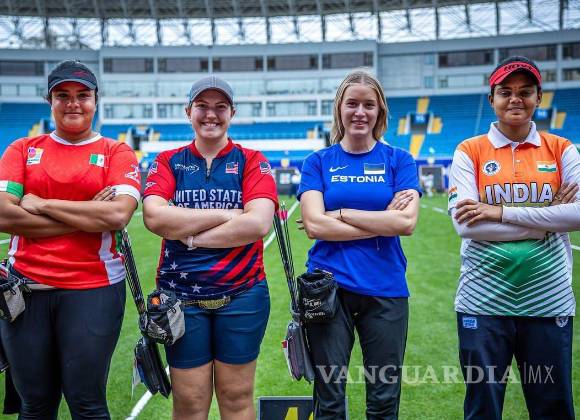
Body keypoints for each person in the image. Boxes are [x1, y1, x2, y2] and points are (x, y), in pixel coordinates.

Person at [0, 60, 140, 419]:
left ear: (96, 100)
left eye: (83, 95)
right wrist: (86, 213)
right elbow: (3, 216)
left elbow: (116, 216)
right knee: (34, 404)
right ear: (50, 101)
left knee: (87, 403)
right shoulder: (22, 149)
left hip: (93, 290)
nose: (73, 103)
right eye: (63, 95)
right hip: (26, 291)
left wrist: (42, 205)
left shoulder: (116, 152)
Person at [448, 56, 579, 420]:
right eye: (505, 92)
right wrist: (549, 219)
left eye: (525, 91)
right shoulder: (469, 150)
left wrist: (500, 212)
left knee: (553, 408)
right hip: (482, 301)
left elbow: (578, 215)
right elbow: (467, 225)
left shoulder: (562, 148)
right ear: (492, 99)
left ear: (539, 97)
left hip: (549, 300)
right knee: (483, 410)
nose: (515, 99)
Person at [142, 76, 277, 420]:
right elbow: (155, 217)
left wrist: (190, 236)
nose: (211, 114)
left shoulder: (252, 160)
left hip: (243, 294)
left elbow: (258, 224)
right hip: (181, 298)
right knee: (189, 402)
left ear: (232, 113)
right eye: (202, 106)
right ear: (188, 111)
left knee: (236, 398)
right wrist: (228, 214)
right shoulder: (168, 161)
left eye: (221, 107)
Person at [297, 69, 421, 419]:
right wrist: (382, 222)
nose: (360, 112)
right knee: (329, 399)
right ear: (340, 108)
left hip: (386, 289)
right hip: (328, 290)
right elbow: (314, 225)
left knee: (383, 400)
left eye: (369, 105)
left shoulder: (400, 160)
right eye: (352, 103)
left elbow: (406, 223)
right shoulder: (318, 162)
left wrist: (341, 213)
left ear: (380, 111)